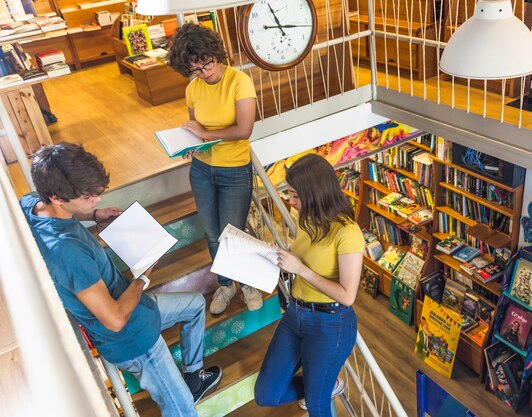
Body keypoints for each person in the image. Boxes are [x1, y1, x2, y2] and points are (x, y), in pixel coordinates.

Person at [20, 143, 222, 417]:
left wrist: (92, 215)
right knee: (185, 412)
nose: (97, 200)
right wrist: (142, 278)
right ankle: (186, 396)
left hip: (139, 310)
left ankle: (193, 378)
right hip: (134, 339)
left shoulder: (31, 204)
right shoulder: (67, 252)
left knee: (196, 304)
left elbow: (62, 207)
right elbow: (114, 319)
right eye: (89, 198)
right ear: (57, 198)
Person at [254, 154, 365, 417]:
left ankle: (322, 388)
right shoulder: (307, 219)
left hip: (331, 324)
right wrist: (281, 256)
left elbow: (348, 296)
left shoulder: (347, 233)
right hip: (296, 315)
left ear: (314, 193)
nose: (291, 201)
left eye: (295, 195)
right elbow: (302, 259)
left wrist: (300, 269)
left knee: (317, 406)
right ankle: (325, 385)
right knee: (266, 394)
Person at [168, 23, 263, 315]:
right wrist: (190, 145)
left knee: (232, 232)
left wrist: (204, 135)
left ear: (215, 54)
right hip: (201, 170)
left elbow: (243, 129)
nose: (204, 72)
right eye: (195, 69)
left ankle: (248, 284)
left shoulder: (239, 81)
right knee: (211, 234)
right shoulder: (192, 89)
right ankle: (226, 284)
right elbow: (195, 130)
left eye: (207, 63)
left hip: (234, 170)